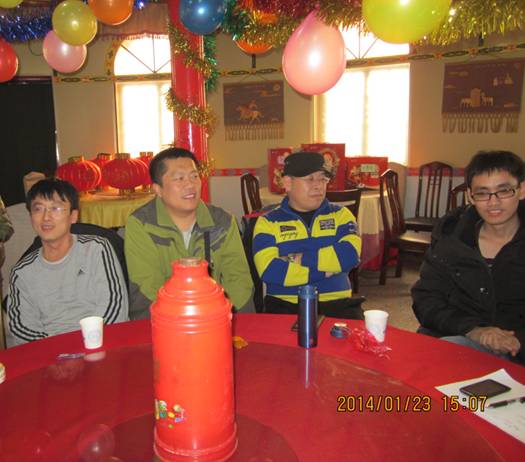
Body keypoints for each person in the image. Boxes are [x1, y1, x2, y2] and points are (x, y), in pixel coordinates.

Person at [412, 150, 525, 363]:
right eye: (482, 193)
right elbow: (426, 299)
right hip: (457, 336)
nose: (493, 202)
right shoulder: (451, 238)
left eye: (504, 191)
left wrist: (517, 340)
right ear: (470, 196)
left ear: (522, 190)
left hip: (516, 351)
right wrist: (473, 330)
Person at [125, 147, 253, 319]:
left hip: (217, 318)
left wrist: (215, 316)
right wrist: (188, 318)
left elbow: (239, 280)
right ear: (158, 189)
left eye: (194, 176)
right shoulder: (142, 224)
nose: (190, 185)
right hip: (163, 321)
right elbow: (147, 286)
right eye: (179, 178)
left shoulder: (222, 222)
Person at [6, 179, 128, 346]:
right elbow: (21, 328)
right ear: (31, 217)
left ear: (73, 216)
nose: (46, 217)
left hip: (100, 343)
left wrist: (86, 342)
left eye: (55, 208)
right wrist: (61, 349)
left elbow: (115, 307)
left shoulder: (97, 249)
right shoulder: (22, 272)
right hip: (50, 352)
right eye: (38, 209)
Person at [252, 151, 362, 317]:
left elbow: (349, 255)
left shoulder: (341, 215)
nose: (318, 186)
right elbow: (269, 270)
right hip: (285, 305)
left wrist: (298, 259)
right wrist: (325, 271)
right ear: (288, 183)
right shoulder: (267, 222)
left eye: (323, 179)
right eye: (310, 179)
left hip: (337, 303)